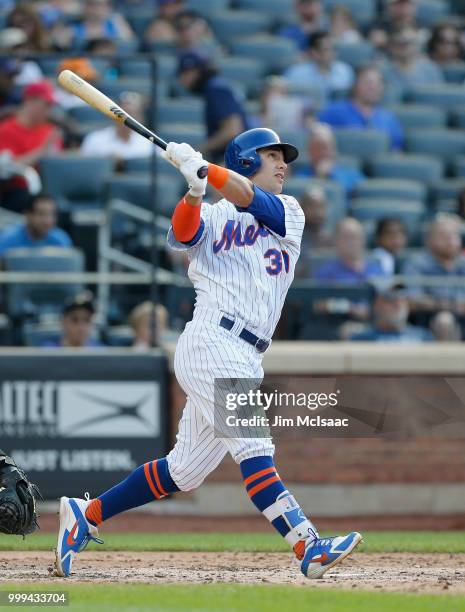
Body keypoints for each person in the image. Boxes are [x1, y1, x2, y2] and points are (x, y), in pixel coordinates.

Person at [55, 127, 361, 579]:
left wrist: (205, 169)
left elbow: (249, 197)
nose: (283, 164)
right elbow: (182, 234)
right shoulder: (215, 216)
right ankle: (307, 545)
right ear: (244, 160)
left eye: (284, 157)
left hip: (247, 352)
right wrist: (195, 191)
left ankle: (88, 514)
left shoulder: (289, 212)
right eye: (271, 155)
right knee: (254, 445)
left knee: (185, 471)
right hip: (212, 341)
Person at [0, 81, 62, 212]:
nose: (49, 110)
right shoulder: (6, 130)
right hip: (18, 191)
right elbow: (6, 168)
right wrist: (41, 151)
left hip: (49, 190)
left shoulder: (49, 130)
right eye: (46, 105)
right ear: (30, 101)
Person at [177, 51, 250, 161]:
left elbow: (232, 130)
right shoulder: (215, 86)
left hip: (237, 159)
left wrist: (199, 151)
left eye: (186, 73)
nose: (182, 80)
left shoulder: (215, 89)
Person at [318, 65, 404, 151]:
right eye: (368, 83)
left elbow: (396, 151)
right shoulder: (334, 112)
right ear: (355, 85)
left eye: (378, 83)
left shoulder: (389, 119)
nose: (373, 87)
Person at [402, 214, 465, 316]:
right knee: (444, 320)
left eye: (454, 235)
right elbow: (412, 301)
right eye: (443, 235)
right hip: (428, 319)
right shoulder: (417, 263)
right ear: (428, 241)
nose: (450, 240)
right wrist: (451, 306)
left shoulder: (463, 263)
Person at [296, 122, 364, 204]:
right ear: (309, 151)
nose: (321, 152)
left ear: (334, 150)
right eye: (317, 147)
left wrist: (330, 175)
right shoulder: (300, 178)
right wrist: (319, 177)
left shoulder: (352, 175)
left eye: (325, 147)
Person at [80, 91, 153, 167]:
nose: (127, 120)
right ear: (113, 115)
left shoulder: (149, 143)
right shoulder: (94, 140)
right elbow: (85, 168)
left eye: (132, 114)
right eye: (123, 114)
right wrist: (107, 161)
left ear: (140, 118)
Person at [350, 282, 433, 343]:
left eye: (402, 297)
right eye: (390, 298)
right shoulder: (361, 340)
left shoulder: (423, 337)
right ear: (375, 305)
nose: (398, 303)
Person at [284, 31, 354, 103]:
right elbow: (287, 98)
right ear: (314, 53)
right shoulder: (296, 73)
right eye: (327, 49)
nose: (333, 53)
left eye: (334, 49)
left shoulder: (345, 71)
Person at [315, 217, 385, 283]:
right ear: (336, 240)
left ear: (363, 240)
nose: (352, 242)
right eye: (347, 237)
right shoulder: (326, 274)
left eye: (357, 237)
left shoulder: (376, 270)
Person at [0, 193, 72, 257]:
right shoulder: (8, 239)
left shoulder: (61, 239)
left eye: (52, 214)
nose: (47, 221)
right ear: (27, 215)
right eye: (41, 214)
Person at [381, 27, 444, 97]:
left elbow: (438, 97)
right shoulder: (381, 72)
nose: (404, 47)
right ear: (391, 46)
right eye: (399, 43)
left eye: (408, 43)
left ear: (417, 45)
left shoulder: (431, 70)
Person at [295, 186, 334, 278]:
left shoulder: (332, 239)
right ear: (301, 208)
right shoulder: (290, 237)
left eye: (321, 206)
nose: (318, 212)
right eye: (312, 206)